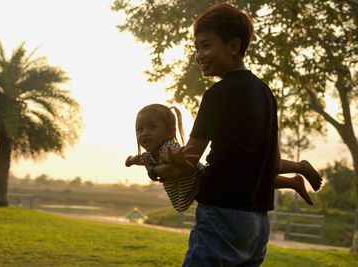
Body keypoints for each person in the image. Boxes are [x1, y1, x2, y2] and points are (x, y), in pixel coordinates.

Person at [138, 3, 322, 266]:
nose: (199, 55)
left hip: (220, 214)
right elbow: (269, 163)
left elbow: (188, 163)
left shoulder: (216, 94)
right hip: (257, 223)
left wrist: (154, 171)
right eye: (196, 48)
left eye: (206, 45)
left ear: (234, 47)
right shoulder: (265, 93)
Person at [125, 104, 321, 213]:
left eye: (151, 127)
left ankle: (299, 168)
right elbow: (141, 159)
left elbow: (174, 158)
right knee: (252, 180)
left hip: (205, 181)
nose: (144, 133)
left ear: (170, 131)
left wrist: (174, 158)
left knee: (252, 176)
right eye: (140, 129)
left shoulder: (168, 147)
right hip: (202, 186)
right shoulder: (150, 155)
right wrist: (131, 160)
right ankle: (294, 180)